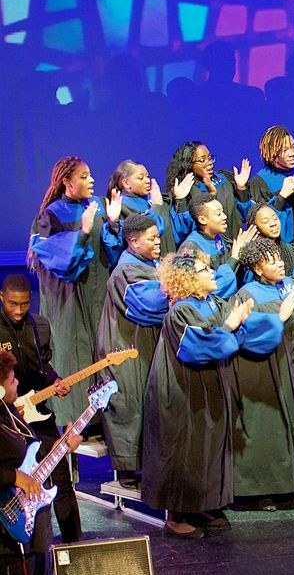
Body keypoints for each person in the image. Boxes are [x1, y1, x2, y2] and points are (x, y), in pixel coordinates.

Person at [141, 249, 287, 539]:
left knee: (206, 445)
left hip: (209, 383)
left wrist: (274, 320)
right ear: (189, 280)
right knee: (184, 448)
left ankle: (199, 506)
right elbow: (196, 347)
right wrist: (230, 325)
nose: (212, 273)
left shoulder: (211, 302)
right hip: (183, 390)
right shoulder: (180, 310)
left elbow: (241, 330)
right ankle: (175, 515)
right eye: (204, 271)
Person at [228, 239, 294, 510]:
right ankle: (261, 491)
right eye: (271, 261)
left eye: (280, 258)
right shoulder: (247, 295)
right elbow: (245, 336)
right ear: (257, 268)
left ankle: (291, 484)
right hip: (265, 367)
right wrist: (278, 319)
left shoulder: (291, 285)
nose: (280, 263)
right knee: (269, 428)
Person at [27, 156, 121, 425]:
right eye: (83, 176)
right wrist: (82, 233)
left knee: (102, 353)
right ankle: (74, 422)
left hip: (98, 299)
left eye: (91, 175)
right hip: (68, 303)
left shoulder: (95, 208)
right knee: (73, 356)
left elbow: (110, 254)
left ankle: (103, 420)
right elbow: (61, 261)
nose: (91, 180)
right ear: (67, 182)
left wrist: (112, 223)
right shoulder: (50, 216)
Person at [0, 275, 82, 542]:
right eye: (13, 303)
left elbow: (43, 368)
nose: (18, 310)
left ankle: (74, 545)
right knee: (19, 485)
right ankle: (25, 543)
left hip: (39, 413)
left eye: (24, 304)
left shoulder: (40, 326)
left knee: (60, 479)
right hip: (8, 418)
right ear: (2, 298)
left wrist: (55, 381)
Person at [95, 214, 168, 488]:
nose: (158, 242)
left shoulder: (148, 264)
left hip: (142, 346)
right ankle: (127, 471)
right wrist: (177, 288)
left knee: (145, 403)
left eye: (158, 236)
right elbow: (147, 307)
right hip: (124, 348)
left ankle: (145, 464)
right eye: (152, 239)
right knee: (129, 405)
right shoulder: (126, 270)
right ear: (134, 241)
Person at [0, 350, 82, 575]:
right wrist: (13, 476)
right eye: (12, 379)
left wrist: (61, 445)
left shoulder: (9, 411)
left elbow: (32, 442)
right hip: (6, 534)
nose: (17, 382)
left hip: (28, 517)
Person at [238, 125, 294, 245]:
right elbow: (260, 223)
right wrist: (281, 197)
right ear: (272, 154)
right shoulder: (261, 182)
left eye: (293, 147)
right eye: (285, 150)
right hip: (285, 247)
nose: (292, 153)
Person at [165, 141, 249, 242]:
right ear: (188, 164)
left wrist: (241, 189)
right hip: (207, 249)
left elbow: (244, 215)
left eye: (209, 158)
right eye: (202, 160)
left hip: (236, 245)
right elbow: (182, 231)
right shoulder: (185, 190)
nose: (209, 163)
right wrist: (180, 201)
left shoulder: (224, 181)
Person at [179, 192, 255, 299]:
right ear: (202, 219)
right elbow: (207, 287)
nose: (225, 217)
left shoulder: (219, 237)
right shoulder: (191, 248)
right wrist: (234, 258)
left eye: (223, 212)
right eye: (218, 214)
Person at [106, 159, 182, 253]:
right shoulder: (123, 207)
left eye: (147, 176)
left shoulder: (153, 198)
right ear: (126, 183)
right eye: (141, 178)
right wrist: (157, 206)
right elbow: (150, 234)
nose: (147, 181)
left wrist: (179, 199)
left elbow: (174, 228)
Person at [244, 202, 294, 289]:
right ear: (255, 227)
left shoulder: (292, 250)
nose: (273, 223)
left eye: (275, 218)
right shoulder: (255, 258)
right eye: (266, 221)